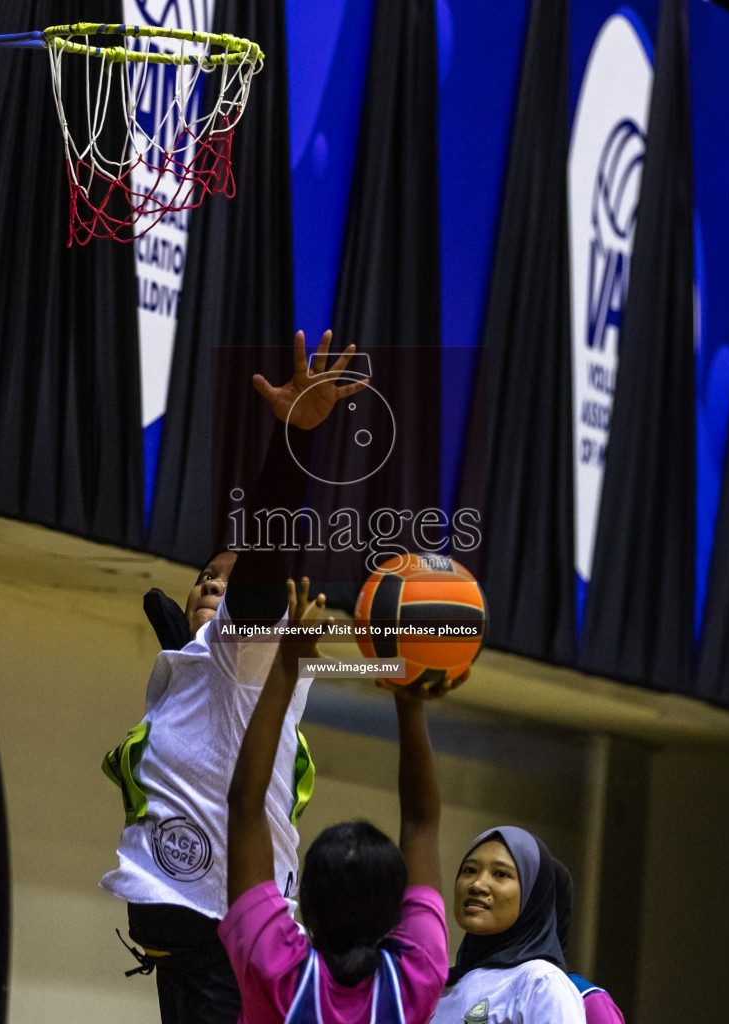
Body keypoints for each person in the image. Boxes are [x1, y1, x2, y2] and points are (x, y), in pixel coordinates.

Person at [100, 331, 369, 1024]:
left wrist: (294, 443)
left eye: (228, 579)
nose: (212, 587)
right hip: (199, 949)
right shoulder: (192, 669)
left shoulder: (247, 654)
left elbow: (254, 586)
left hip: (230, 941)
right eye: (203, 578)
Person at [220, 577, 454, 1023]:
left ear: (303, 900)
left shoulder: (275, 968)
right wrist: (410, 696)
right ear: (395, 914)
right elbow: (423, 821)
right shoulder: (416, 977)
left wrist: (288, 665)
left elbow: (245, 805)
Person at [432, 826, 585, 1024]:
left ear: (533, 895)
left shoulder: (541, 983)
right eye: (469, 870)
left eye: (501, 874)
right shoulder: (442, 987)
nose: (477, 884)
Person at [552, 860, 626, 1024]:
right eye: (478, 871)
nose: (480, 886)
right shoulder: (484, 985)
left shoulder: (586, 999)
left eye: (501, 875)